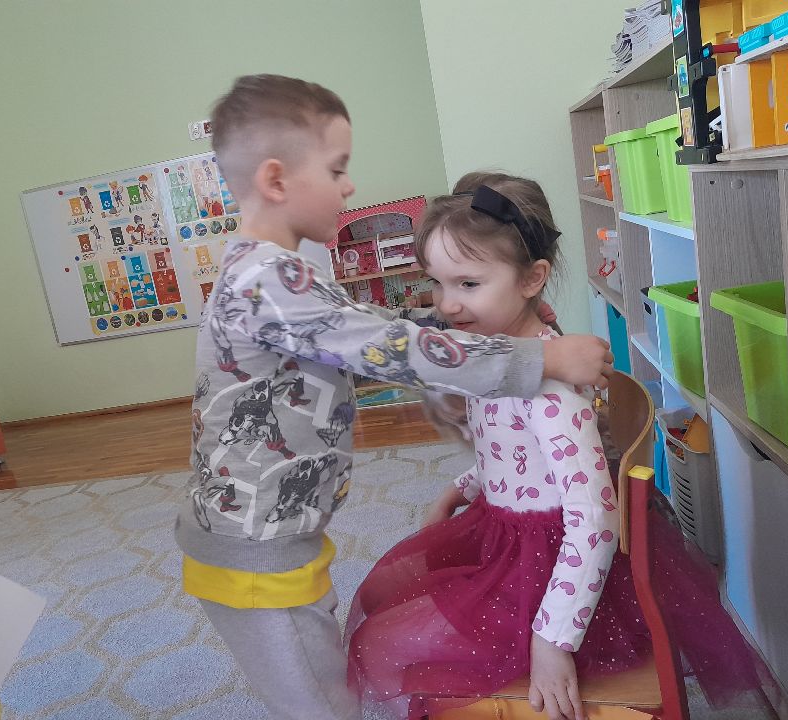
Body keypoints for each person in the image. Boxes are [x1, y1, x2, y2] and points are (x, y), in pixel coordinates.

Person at [174, 75, 613, 720]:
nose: (349, 186)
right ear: (276, 180)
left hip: (273, 533)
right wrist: (541, 357)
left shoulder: (272, 272)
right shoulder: (267, 278)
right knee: (321, 700)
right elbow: (387, 347)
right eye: (336, 169)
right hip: (255, 548)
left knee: (323, 666)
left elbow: (372, 333)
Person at [345, 173, 769, 720]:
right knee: (394, 607)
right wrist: (464, 486)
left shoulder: (549, 389)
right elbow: (514, 454)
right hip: (505, 533)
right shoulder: (494, 358)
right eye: (437, 283)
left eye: (468, 284)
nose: (446, 305)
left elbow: (595, 519)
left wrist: (553, 642)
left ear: (532, 278)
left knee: (402, 646)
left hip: (553, 575)